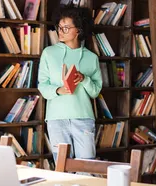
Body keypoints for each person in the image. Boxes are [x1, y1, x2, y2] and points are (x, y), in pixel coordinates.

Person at [37, 7, 102, 162]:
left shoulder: (91, 58)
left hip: (83, 118)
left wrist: (84, 79)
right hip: (56, 119)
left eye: (66, 28)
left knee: (87, 166)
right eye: (59, 27)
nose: (61, 31)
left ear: (78, 30)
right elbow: (42, 86)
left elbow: (95, 91)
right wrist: (58, 90)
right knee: (62, 166)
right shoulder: (49, 53)